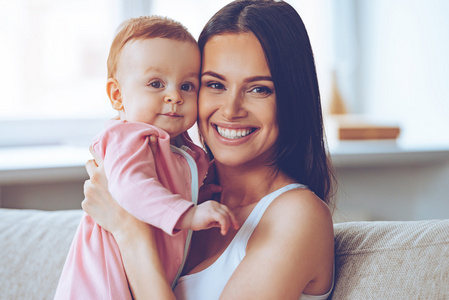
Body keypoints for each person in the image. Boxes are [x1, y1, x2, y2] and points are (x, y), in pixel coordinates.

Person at [82, 0, 336, 299]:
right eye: (215, 84)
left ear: (292, 97)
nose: (230, 110)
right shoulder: (173, 192)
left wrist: (131, 234)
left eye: (259, 89)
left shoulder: (297, 217)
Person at [55, 16, 238, 300]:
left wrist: (206, 193)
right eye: (156, 83)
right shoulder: (127, 137)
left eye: (187, 86)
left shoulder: (183, 148)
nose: (174, 96)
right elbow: (131, 186)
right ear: (117, 95)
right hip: (100, 284)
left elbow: (175, 186)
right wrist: (188, 213)